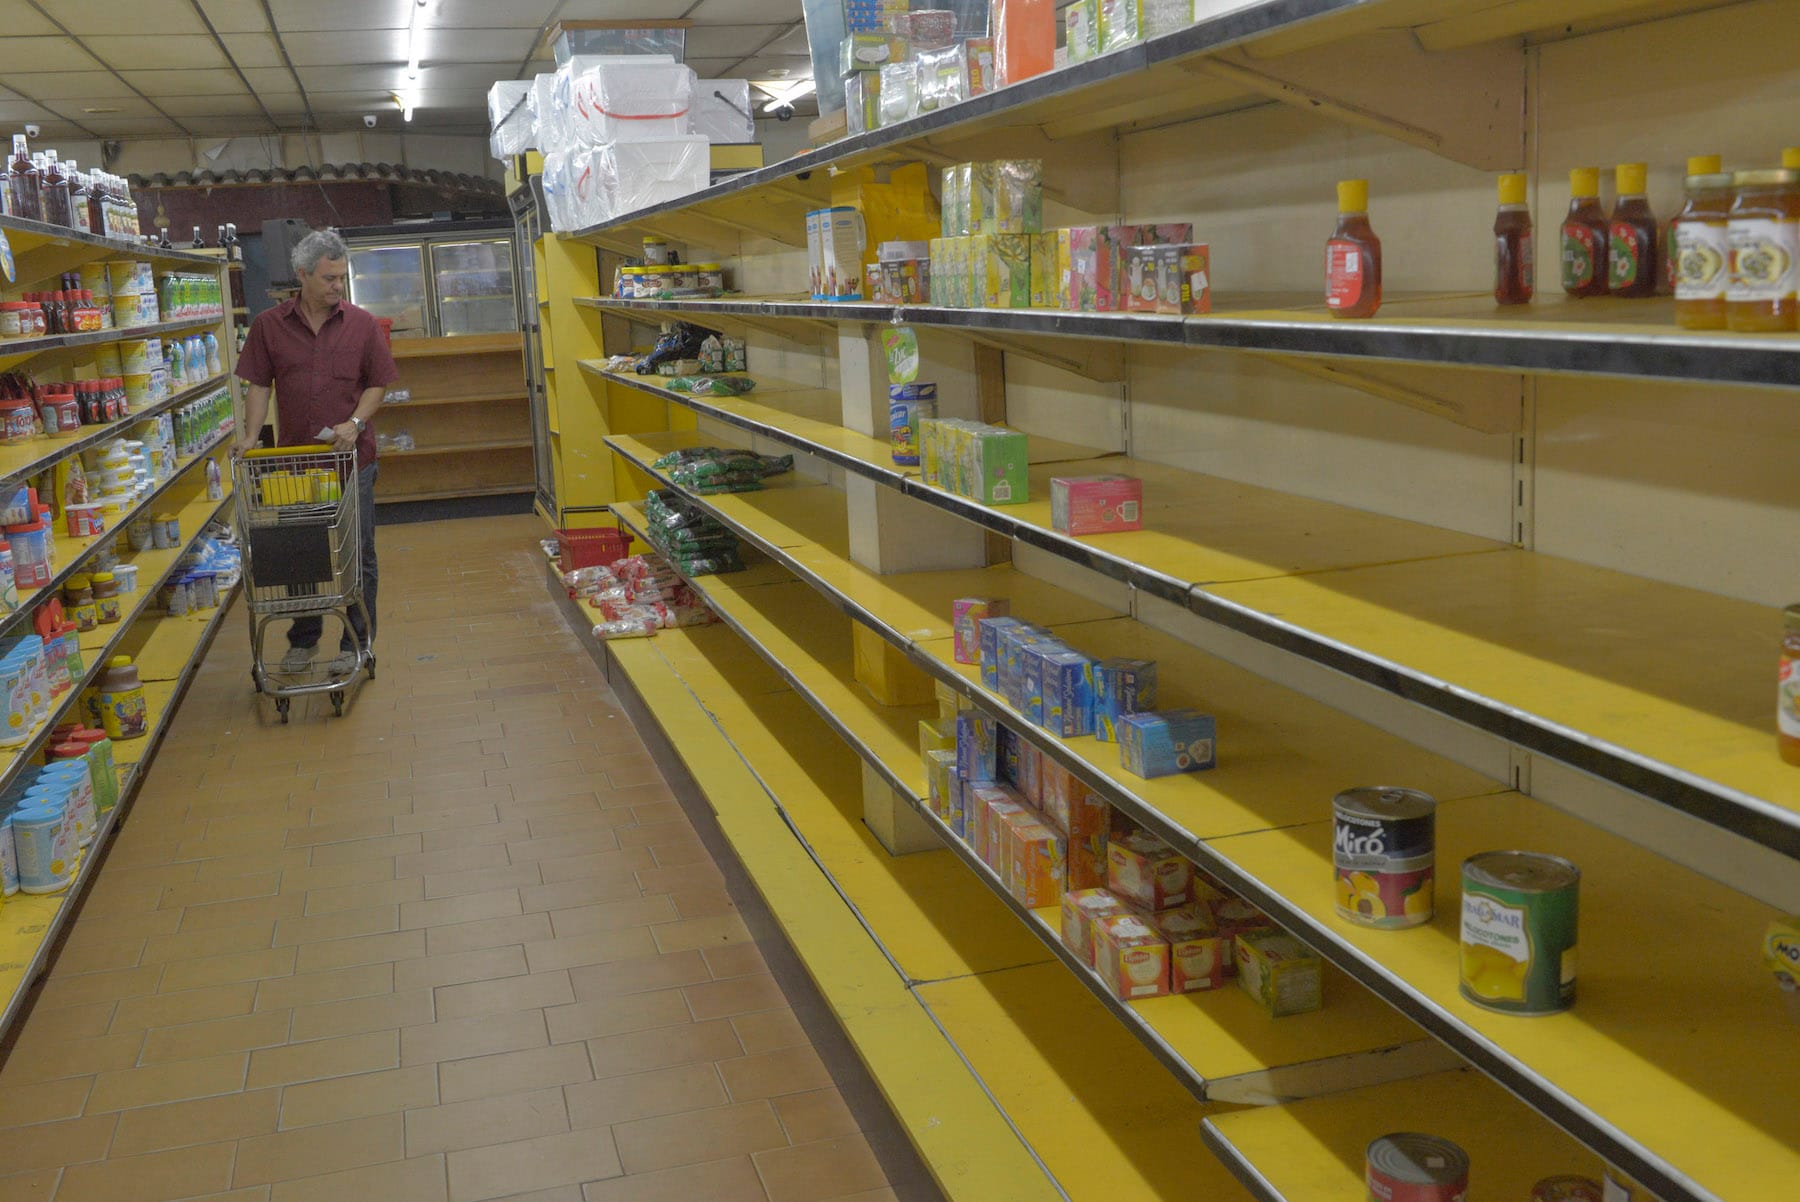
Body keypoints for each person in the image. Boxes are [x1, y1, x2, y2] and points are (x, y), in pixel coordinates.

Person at [234, 228, 397, 676]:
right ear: (302, 275)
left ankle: (356, 641)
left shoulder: (361, 324)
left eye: (341, 278)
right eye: (328, 278)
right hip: (296, 463)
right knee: (299, 551)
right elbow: (258, 384)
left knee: (358, 553)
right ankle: (303, 640)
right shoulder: (269, 326)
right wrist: (250, 437)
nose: (337, 286)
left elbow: (378, 383)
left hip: (352, 461)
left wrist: (356, 423)